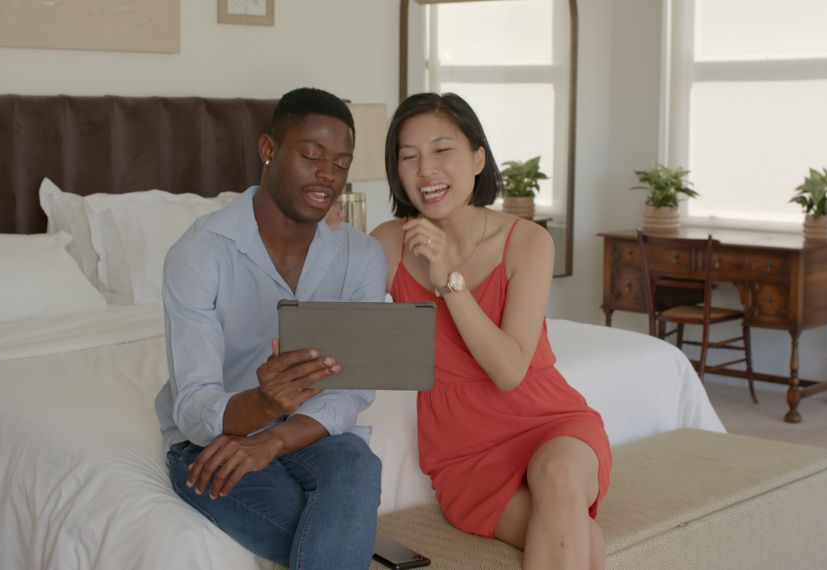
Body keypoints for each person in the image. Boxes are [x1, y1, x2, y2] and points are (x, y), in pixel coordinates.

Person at [371, 92, 612, 569]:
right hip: (465, 454)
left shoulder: (528, 242)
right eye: (408, 157)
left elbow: (508, 371)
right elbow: (337, 322)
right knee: (580, 538)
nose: (426, 172)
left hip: (551, 424)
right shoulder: (389, 244)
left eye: (443, 150)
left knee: (560, 476)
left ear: (478, 158)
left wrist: (446, 278)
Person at [155, 87, 387, 570]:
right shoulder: (200, 252)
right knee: (329, 533)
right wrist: (262, 405)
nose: (329, 174)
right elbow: (194, 404)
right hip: (213, 439)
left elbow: (352, 387)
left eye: (341, 163)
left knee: (357, 465)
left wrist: (276, 438)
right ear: (268, 150)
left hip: (307, 432)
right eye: (311, 155)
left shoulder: (361, 256)